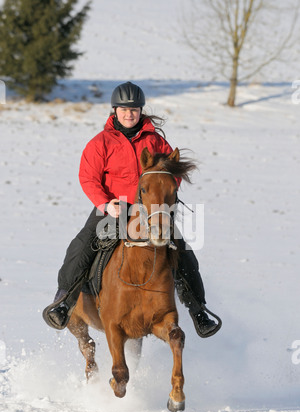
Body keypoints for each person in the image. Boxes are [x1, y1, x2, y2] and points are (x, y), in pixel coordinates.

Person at [43, 82, 221, 338]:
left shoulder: (156, 141)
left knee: (183, 251)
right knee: (81, 245)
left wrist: (163, 197)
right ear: (114, 111)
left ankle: (199, 312)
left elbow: (172, 173)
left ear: (140, 111)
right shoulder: (101, 142)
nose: (129, 114)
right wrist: (105, 204)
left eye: (134, 110)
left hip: (152, 211)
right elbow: (88, 178)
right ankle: (64, 302)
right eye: (124, 110)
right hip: (114, 208)